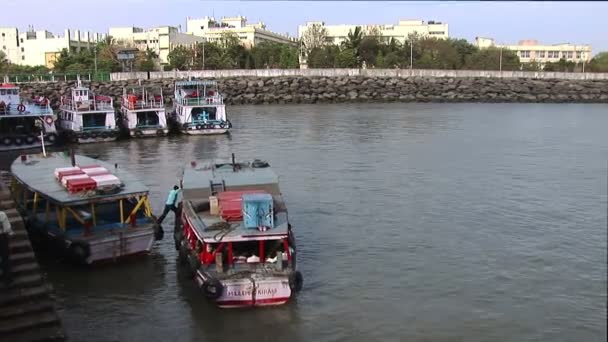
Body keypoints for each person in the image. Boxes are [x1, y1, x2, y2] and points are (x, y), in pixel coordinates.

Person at [0, 210, 14, 285]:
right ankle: (8, 279)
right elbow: (7, 228)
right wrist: (10, 233)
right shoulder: (2, 214)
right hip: (2, 238)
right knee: (5, 258)